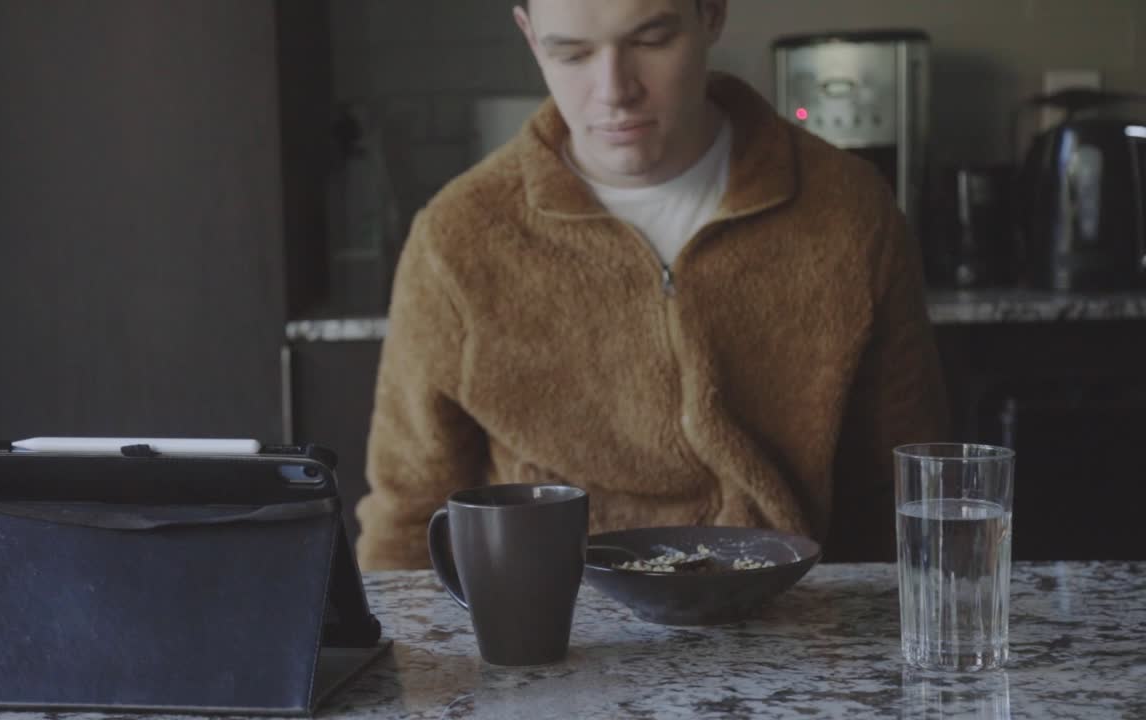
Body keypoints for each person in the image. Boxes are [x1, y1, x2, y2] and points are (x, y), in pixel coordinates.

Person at [354, 0, 949, 570]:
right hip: (559, 641)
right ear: (531, 39)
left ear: (711, 13)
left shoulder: (849, 210)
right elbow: (408, 517)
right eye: (572, 54)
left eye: (650, 39)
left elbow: (909, 487)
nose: (614, 89)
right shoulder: (459, 237)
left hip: (796, 628)